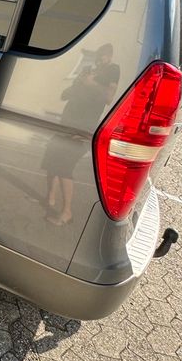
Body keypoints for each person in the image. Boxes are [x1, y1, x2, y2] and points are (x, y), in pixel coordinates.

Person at [43, 44, 120, 226]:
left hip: (82, 128)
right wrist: (77, 84)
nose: (99, 59)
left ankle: (67, 212)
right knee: (51, 160)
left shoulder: (112, 70)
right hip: (66, 123)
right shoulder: (88, 71)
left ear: (109, 56)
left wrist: (90, 83)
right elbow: (65, 95)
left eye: (103, 55)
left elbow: (109, 98)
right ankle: (50, 199)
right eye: (97, 55)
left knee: (64, 168)